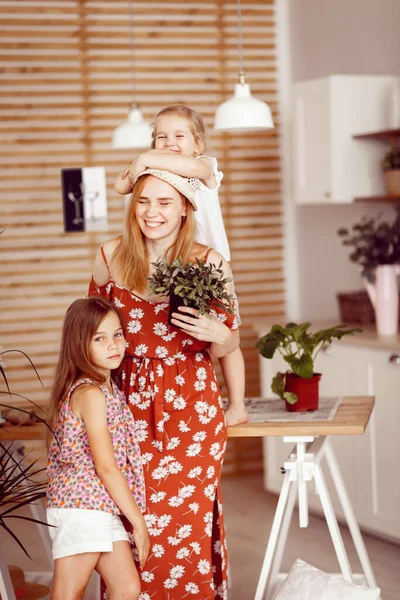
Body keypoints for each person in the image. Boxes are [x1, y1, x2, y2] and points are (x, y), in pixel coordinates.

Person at [88, 169, 240, 599]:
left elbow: (232, 341)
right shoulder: (109, 256)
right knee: (129, 521)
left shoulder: (209, 262)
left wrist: (220, 335)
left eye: (164, 202)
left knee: (185, 525)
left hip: (192, 407)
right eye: (143, 201)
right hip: (125, 404)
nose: (151, 212)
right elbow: (90, 334)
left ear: (186, 208)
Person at [114, 104, 248, 427]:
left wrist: (144, 159)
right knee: (186, 331)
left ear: (198, 144)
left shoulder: (204, 166)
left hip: (209, 266)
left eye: (179, 136)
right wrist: (141, 167)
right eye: (161, 137)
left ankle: (238, 404)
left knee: (227, 337)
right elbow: (122, 187)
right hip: (174, 265)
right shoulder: (157, 176)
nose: (169, 142)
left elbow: (185, 166)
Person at [46, 296, 149, 600]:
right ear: (80, 345)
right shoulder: (90, 393)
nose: (114, 345)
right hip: (81, 504)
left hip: (101, 505)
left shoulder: (107, 388)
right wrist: (138, 522)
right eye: (100, 339)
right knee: (68, 594)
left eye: (117, 334)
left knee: (127, 586)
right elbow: (105, 466)